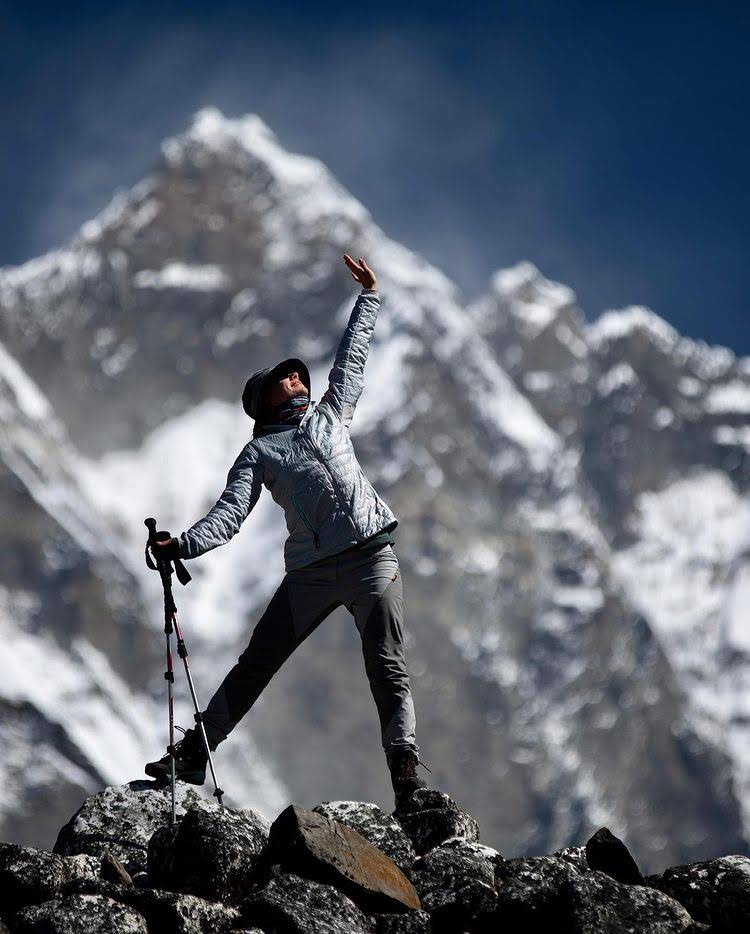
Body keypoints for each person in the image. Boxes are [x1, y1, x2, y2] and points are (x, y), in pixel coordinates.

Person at [145, 254, 427, 806]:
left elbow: (351, 360)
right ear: (262, 402)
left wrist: (368, 297)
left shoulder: (330, 415)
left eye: (295, 374)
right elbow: (230, 513)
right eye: (282, 379)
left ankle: (407, 773)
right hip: (312, 572)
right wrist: (182, 545)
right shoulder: (260, 451)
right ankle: (194, 755)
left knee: (388, 667)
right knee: (258, 663)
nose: (295, 378)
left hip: (373, 556)